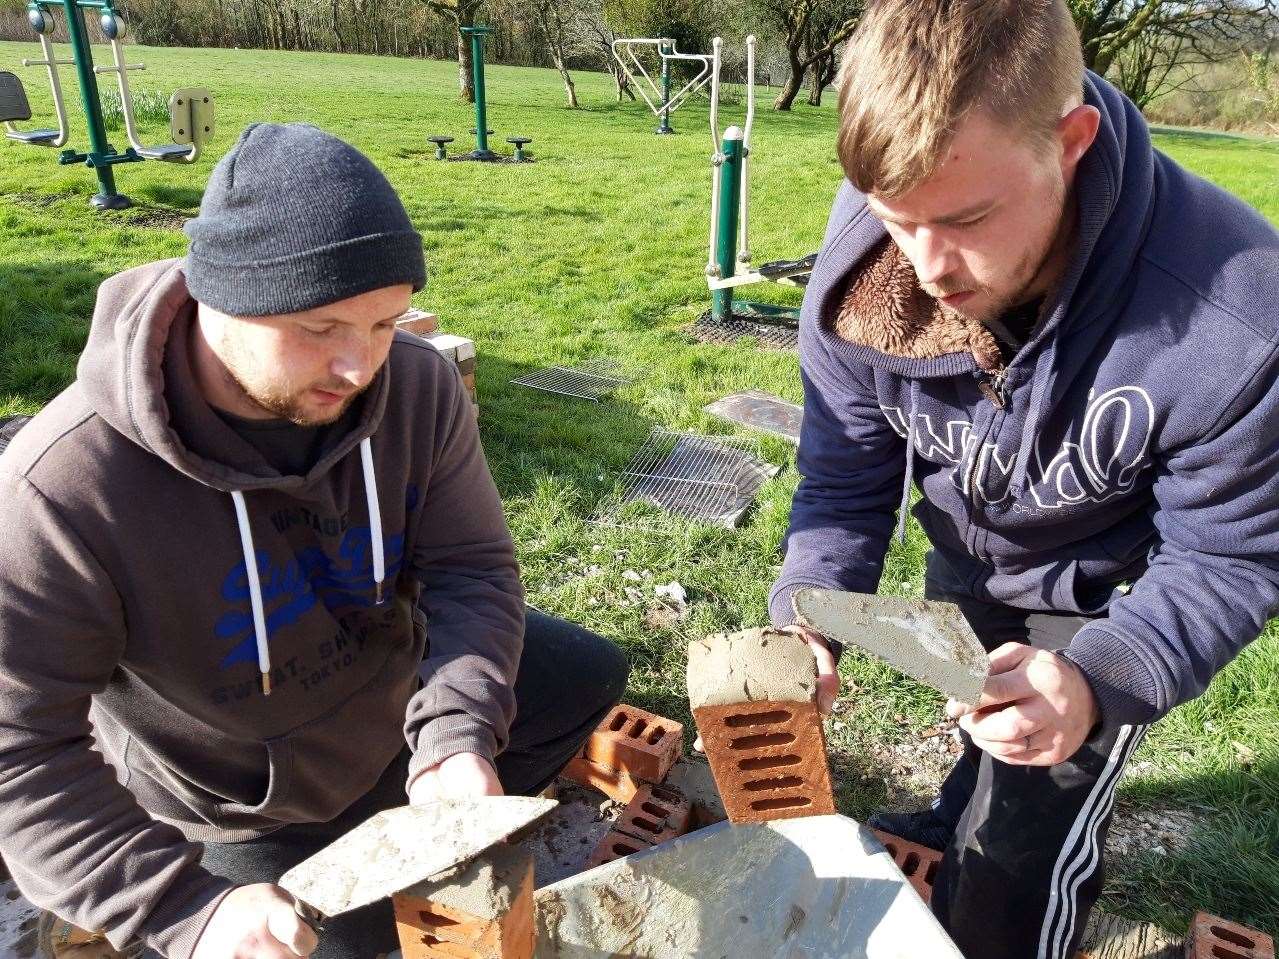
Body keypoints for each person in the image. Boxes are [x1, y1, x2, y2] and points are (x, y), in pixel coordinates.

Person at [0, 122, 629, 959]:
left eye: (383, 323)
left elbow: (471, 568)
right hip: (244, 796)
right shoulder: (64, 491)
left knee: (586, 675)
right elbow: (20, 755)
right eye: (320, 326)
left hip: (390, 703)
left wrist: (454, 734)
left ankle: (412, 823)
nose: (358, 367)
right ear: (215, 298)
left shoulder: (416, 386)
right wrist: (186, 908)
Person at [768, 2, 1279, 957]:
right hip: (968, 550)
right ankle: (955, 812)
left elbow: (1230, 556)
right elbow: (842, 476)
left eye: (965, 220)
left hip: (1105, 595)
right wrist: (810, 606)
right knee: (979, 750)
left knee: (1011, 865)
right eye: (895, 220)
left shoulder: (1238, 319)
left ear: (1071, 141)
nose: (925, 270)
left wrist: (1095, 680)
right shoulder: (867, 263)